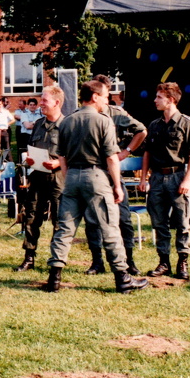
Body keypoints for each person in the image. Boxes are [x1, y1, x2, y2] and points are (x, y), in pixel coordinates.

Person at [45, 80, 148, 294]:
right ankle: (122, 278)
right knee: (110, 226)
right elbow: (111, 157)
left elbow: (61, 156)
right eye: (104, 97)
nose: (106, 101)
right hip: (97, 177)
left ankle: (54, 278)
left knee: (65, 229)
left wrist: (70, 176)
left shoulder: (67, 121)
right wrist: (117, 186)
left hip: (72, 177)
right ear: (94, 97)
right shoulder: (103, 121)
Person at [82, 74, 147, 276]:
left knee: (124, 219)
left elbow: (141, 131)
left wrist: (126, 151)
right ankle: (97, 262)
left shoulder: (117, 114)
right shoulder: (83, 114)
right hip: (93, 171)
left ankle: (129, 261)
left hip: (113, 172)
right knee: (92, 219)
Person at [138, 82, 190, 281]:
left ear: (171, 100)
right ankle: (163, 261)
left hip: (177, 177)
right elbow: (147, 153)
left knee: (182, 221)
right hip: (156, 178)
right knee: (158, 222)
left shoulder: (187, 123)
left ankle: (183, 261)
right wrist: (143, 178)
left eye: (159, 97)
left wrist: (187, 180)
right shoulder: (154, 125)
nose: (155, 100)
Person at [15, 85, 65, 272]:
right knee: (32, 215)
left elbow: (74, 152)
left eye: (44, 100)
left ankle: (56, 259)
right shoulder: (38, 124)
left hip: (58, 177)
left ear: (57, 102)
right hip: (37, 175)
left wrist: (58, 163)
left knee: (59, 219)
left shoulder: (68, 125)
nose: (40, 104)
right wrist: (29, 158)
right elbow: (31, 147)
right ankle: (29, 257)